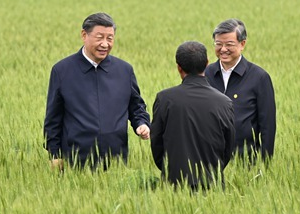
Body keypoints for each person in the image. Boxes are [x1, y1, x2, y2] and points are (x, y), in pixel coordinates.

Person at [44, 12, 151, 170]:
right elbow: (53, 117)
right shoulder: (62, 70)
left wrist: (142, 124)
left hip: (116, 161)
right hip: (76, 161)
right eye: (99, 37)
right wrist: (54, 154)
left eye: (110, 38)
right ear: (84, 35)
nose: (105, 44)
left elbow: (136, 107)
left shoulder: (124, 70)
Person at [150, 42, 235, 190]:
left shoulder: (165, 99)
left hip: (173, 185)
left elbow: (156, 144)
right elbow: (228, 148)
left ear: (179, 67)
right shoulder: (224, 102)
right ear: (207, 64)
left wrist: (170, 169)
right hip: (213, 186)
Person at [204, 18, 276, 164]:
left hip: (246, 161)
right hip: (208, 159)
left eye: (229, 44)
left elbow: (268, 126)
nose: (223, 49)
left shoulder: (259, 77)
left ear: (242, 44)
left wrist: (264, 164)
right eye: (218, 44)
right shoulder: (206, 74)